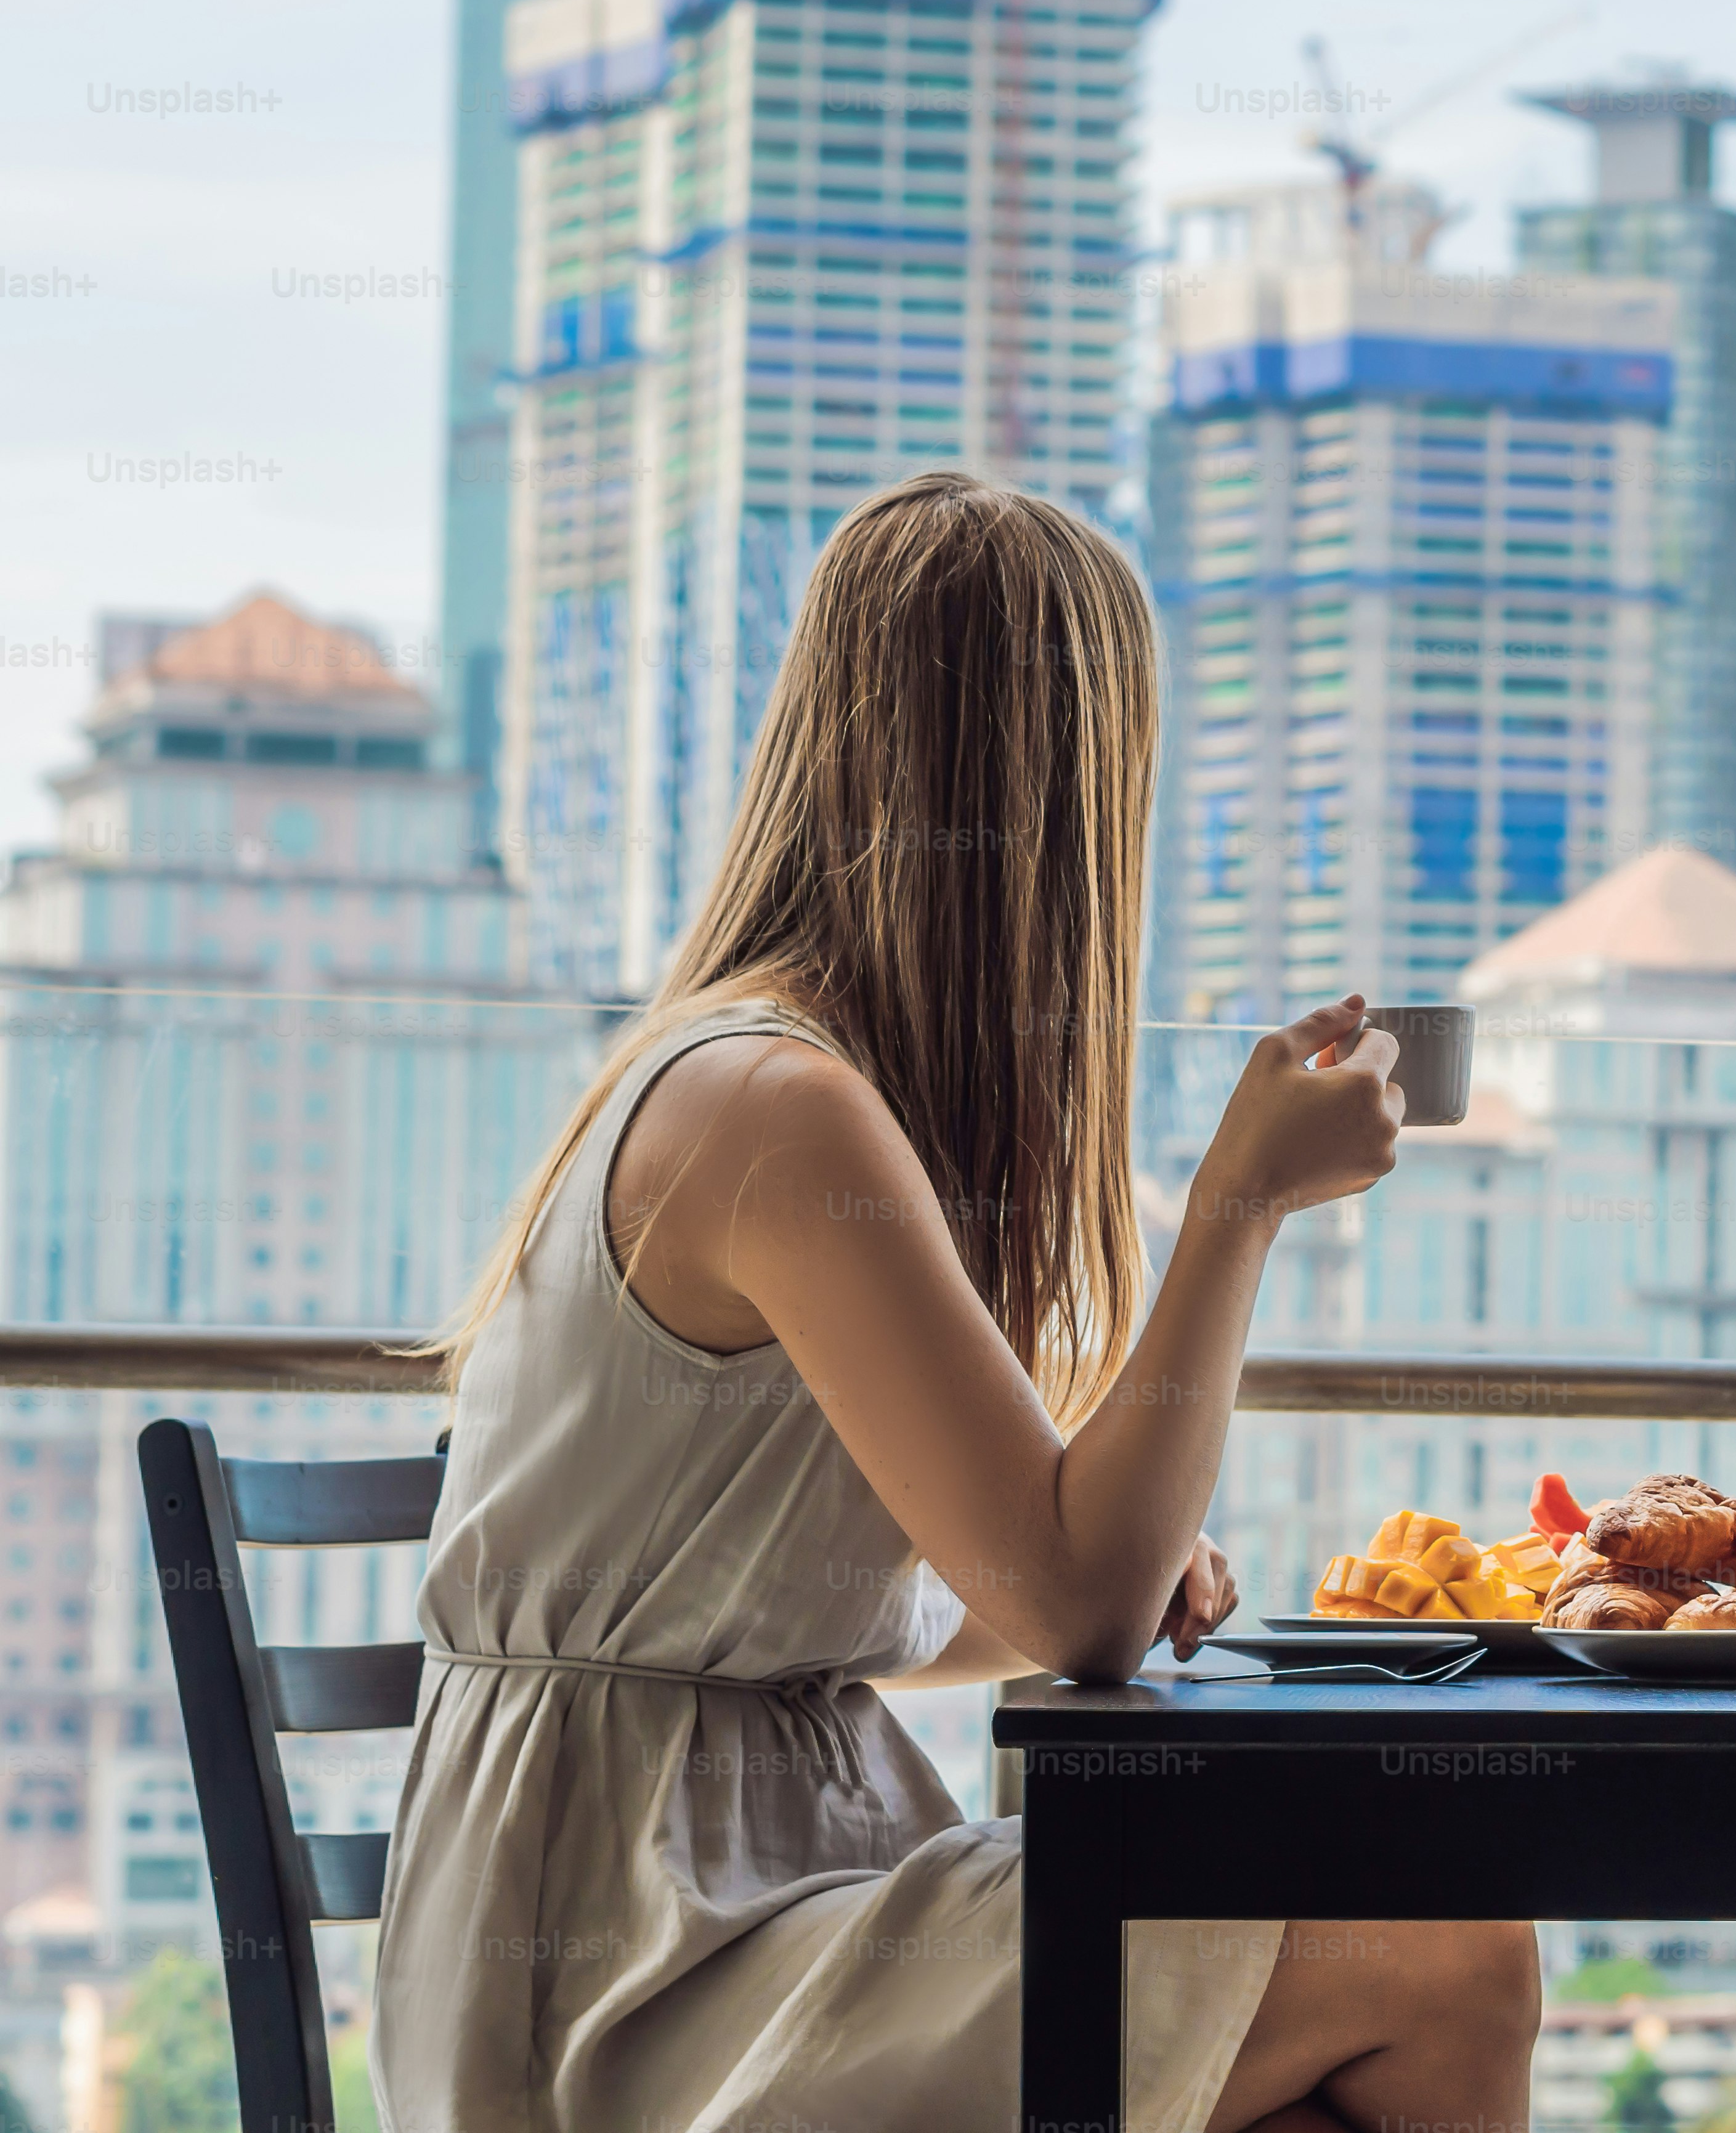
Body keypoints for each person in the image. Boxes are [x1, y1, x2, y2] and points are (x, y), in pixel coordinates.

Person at [374, 474, 1539, 2133]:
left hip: (718, 1907)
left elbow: (942, 1601)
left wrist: (1120, 1571)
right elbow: (1074, 1612)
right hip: (633, 1986)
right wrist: (1240, 1205)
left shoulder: (788, 1088)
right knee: (1449, 1955)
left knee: (1306, 2090)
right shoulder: (780, 1110)